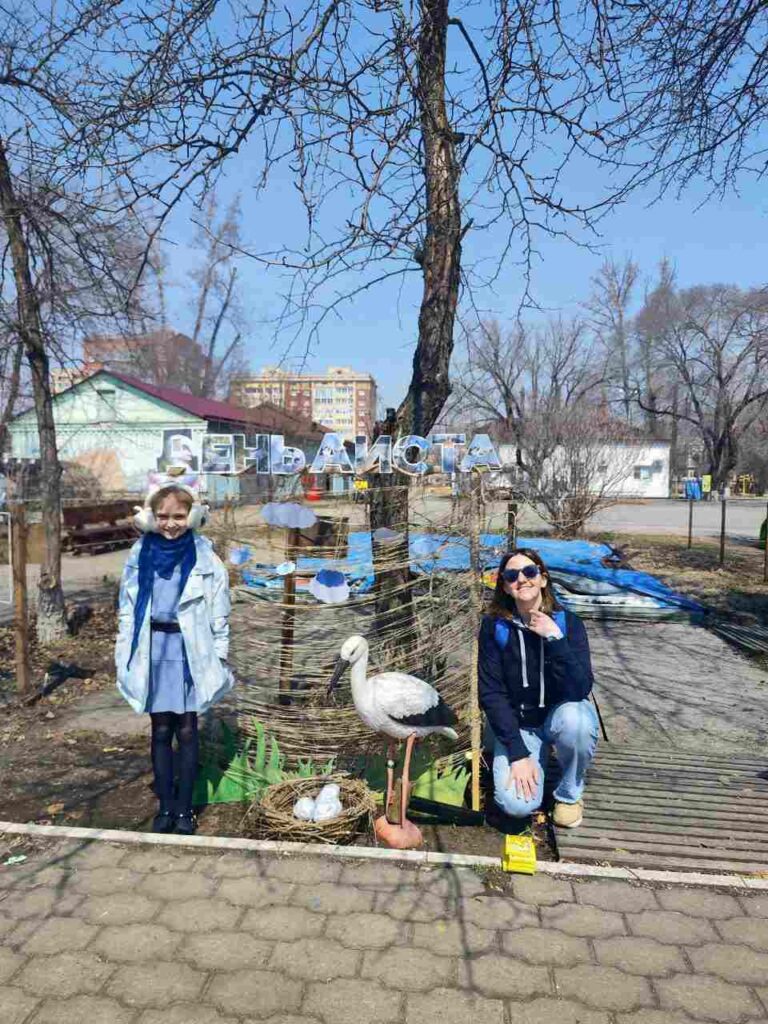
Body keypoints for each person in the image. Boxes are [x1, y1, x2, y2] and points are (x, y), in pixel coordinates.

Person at [115, 483, 233, 834]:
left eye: (179, 516)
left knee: (188, 729)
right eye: (163, 516)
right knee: (161, 729)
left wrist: (221, 655)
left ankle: (185, 809)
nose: (171, 524)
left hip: (188, 651)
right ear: (152, 517)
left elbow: (219, 611)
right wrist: (124, 651)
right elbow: (126, 607)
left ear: (192, 516)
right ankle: (165, 805)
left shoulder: (204, 556)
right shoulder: (141, 553)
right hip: (154, 650)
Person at [478, 549, 598, 828]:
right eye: (511, 575)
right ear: (506, 587)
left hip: (558, 715)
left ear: (543, 579)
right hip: (520, 724)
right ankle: (526, 757)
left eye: (529, 572)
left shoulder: (569, 624)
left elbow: (579, 689)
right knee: (516, 805)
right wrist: (518, 754)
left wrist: (554, 638)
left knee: (577, 720)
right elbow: (491, 694)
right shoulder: (494, 628)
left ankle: (569, 794)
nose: (522, 579)